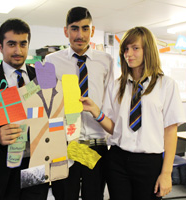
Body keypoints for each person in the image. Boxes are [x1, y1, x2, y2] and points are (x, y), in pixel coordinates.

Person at [80, 26, 186, 200]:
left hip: (149, 162)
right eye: (126, 49)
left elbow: (170, 131)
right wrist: (95, 111)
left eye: (135, 48)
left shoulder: (166, 85)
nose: (129, 54)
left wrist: (166, 173)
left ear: (149, 50)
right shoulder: (116, 85)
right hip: (117, 160)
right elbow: (116, 129)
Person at [45, 6, 114, 200]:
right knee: (64, 195)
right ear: (66, 31)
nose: (80, 34)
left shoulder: (106, 61)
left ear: (92, 31)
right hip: (65, 145)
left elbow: (110, 102)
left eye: (85, 28)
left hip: (95, 144)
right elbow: (45, 104)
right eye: (74, 28)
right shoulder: (50, 61)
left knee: (94, 196)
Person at [0, 18, 49, 200]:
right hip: (1, 170)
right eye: (11, 44)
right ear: (0, 47)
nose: (18, 50)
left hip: (36, 164)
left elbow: (53, 114)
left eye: (23, 44)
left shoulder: (43, 77)